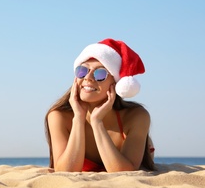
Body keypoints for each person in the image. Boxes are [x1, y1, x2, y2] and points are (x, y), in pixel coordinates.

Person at [44, 38, 155, 172]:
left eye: (100, 73)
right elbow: (65, 172)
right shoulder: (58, 116)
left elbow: (124, 172)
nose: (88, 77)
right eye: (82, 70)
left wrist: (97, 122)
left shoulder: (136, 116)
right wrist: (78, 118)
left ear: (115, 84)